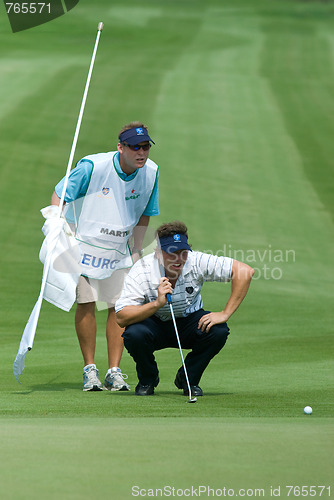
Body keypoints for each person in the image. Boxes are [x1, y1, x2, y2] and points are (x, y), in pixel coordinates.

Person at [51, 121, 159, 391]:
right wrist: (55, 223)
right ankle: (90, 370)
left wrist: (136, 249)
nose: (142, 152)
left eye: (145, 146)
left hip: (117, 248)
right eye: (135, 147)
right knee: (86, 302)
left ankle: (114, 370)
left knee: (117, 306)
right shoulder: (93, 166)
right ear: (120, 147)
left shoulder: (151, 173)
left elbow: (145, 212)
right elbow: (60, 194)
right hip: (83, 244)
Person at [115, 221, 255, 396]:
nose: (178, 259)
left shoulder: (196, 261)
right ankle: (148, 379)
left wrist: (225, 313)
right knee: (134, 334)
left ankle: (188, 378)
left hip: (189, 321)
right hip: (153, 323)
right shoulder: (141, 270)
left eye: (183, 252)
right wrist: (157, 304)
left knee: (218, 330)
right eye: (171, 253)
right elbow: (121, 317)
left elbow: (245, 271)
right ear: (158, 253)